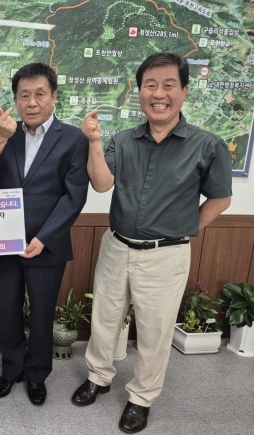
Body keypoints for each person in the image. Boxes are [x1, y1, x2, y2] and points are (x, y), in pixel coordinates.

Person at [72, 52, 232, 434]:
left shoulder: (207, 145)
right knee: (104, 320)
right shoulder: (123, 140)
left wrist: (186, 227)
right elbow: (102, 183)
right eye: (150, 85)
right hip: (116, 245)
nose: (158, 94)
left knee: (155, 332)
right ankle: (98, 377)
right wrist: (93, 142)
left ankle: (141, 398)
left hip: (166, 254)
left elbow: (221, 199)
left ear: (185, 91)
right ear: (140, 91)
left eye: (168, 85)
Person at [0, 62, 90, 406]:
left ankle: (37, 375)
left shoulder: (73, 138)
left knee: (42, 312)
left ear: (54, 96)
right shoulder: (6, 133)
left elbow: (74, 196)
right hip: (7, 241)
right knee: (8, 307)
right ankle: (11, 370)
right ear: (15, 99)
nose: (31, 102)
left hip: (48, 244)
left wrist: (44, 238)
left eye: (40, 94)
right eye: (24, 95)